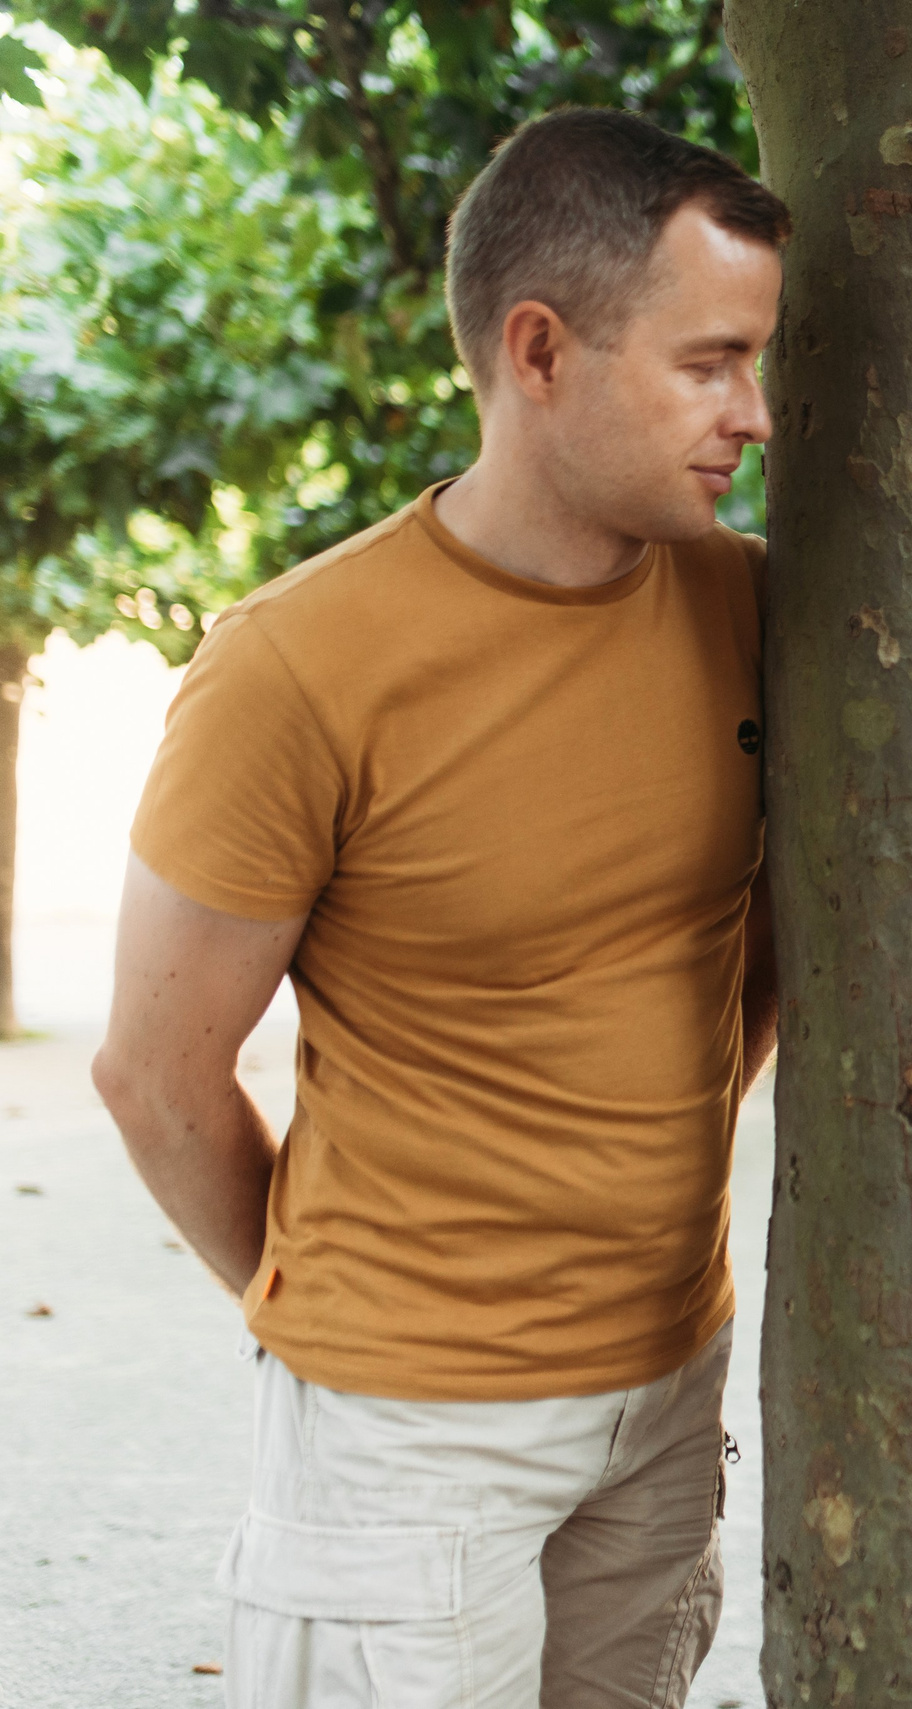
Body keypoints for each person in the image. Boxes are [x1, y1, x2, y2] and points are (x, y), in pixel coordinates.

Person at [88, 109, 790, 1708]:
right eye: (709, 361)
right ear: (539, 349)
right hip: (403, 1442)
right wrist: (346, 1324)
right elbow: (155, 1069)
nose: (753, 412)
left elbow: (737, 961)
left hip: (669, 1397)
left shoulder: (755, 610)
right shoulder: (296, 665)